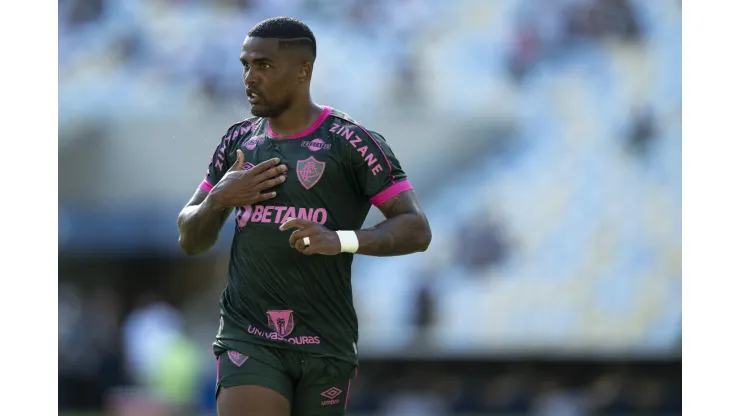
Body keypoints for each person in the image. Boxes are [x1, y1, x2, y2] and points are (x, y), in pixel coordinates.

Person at [176, 16, 432, 416]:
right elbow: (190, 239)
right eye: (245, 65)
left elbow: (417, 229)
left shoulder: (351, 142)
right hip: (250, 336)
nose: (249, 77)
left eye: (263, 66)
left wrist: (341, 239)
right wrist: (219, 200)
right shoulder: (237, 142)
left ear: (303, 70)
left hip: (325, 340)